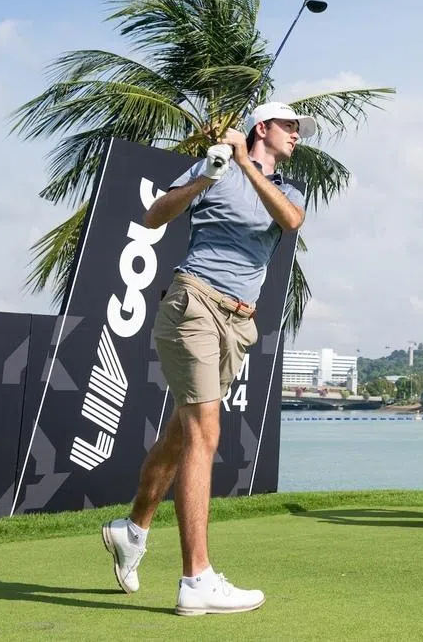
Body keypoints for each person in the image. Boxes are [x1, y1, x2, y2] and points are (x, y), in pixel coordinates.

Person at [101, 101, 313, 615]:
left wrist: (243, 164)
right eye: (289, 127)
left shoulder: (287, 187)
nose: (296, 136)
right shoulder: (211, 167)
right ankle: (196, 580)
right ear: (263, 127)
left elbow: (290, 221)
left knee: (181, 433)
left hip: (240, 322)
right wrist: (207, 177)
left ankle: (131, 530)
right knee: (204, 433)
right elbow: (154, 216)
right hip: (193, 301)